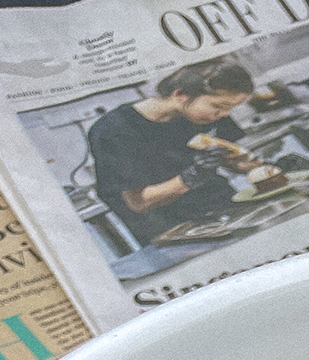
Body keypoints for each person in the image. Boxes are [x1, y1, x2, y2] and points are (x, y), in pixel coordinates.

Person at [88, 58, 257, 245]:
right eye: (219, 106)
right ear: (180, 95)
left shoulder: (208, 113)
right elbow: (139, 202)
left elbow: (232, 158)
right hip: (171, 230)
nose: (225, 114)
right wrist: (192, 176)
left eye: (231, 108)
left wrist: (262, 168)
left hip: (223, 210)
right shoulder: (114, 130)